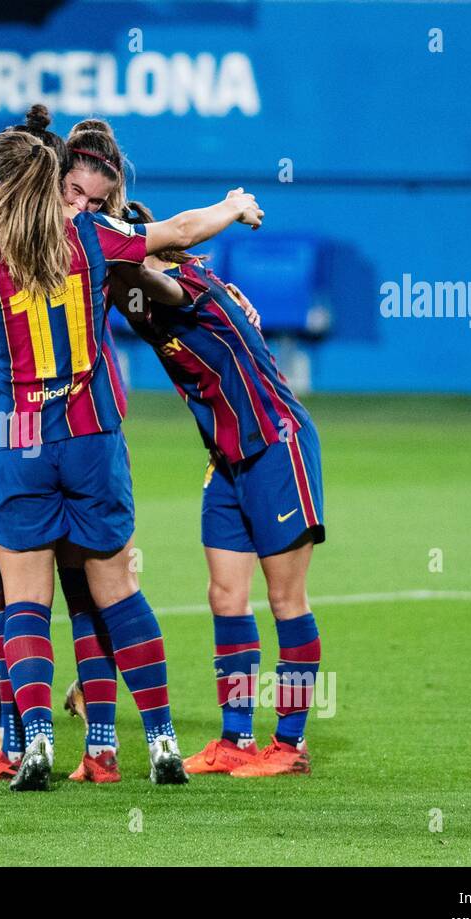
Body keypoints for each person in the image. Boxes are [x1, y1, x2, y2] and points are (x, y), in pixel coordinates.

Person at [0, 128, 264, 791]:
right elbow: (181, 228)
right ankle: (160, 740)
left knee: (27, 603)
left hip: (16, 441)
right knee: (117, 591)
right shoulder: (91, 238)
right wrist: (232, 205)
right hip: (91, 435)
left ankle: (34, 739)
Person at [111, 201, 324, 777]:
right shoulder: (138, 300)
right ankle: (235, 739)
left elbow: (145, 276)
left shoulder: (181, 283)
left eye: (130, 245)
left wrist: (117, 254)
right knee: (224, 596)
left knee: (286, 601)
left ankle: (290, 744)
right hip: (227, 458)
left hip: (277, 446)